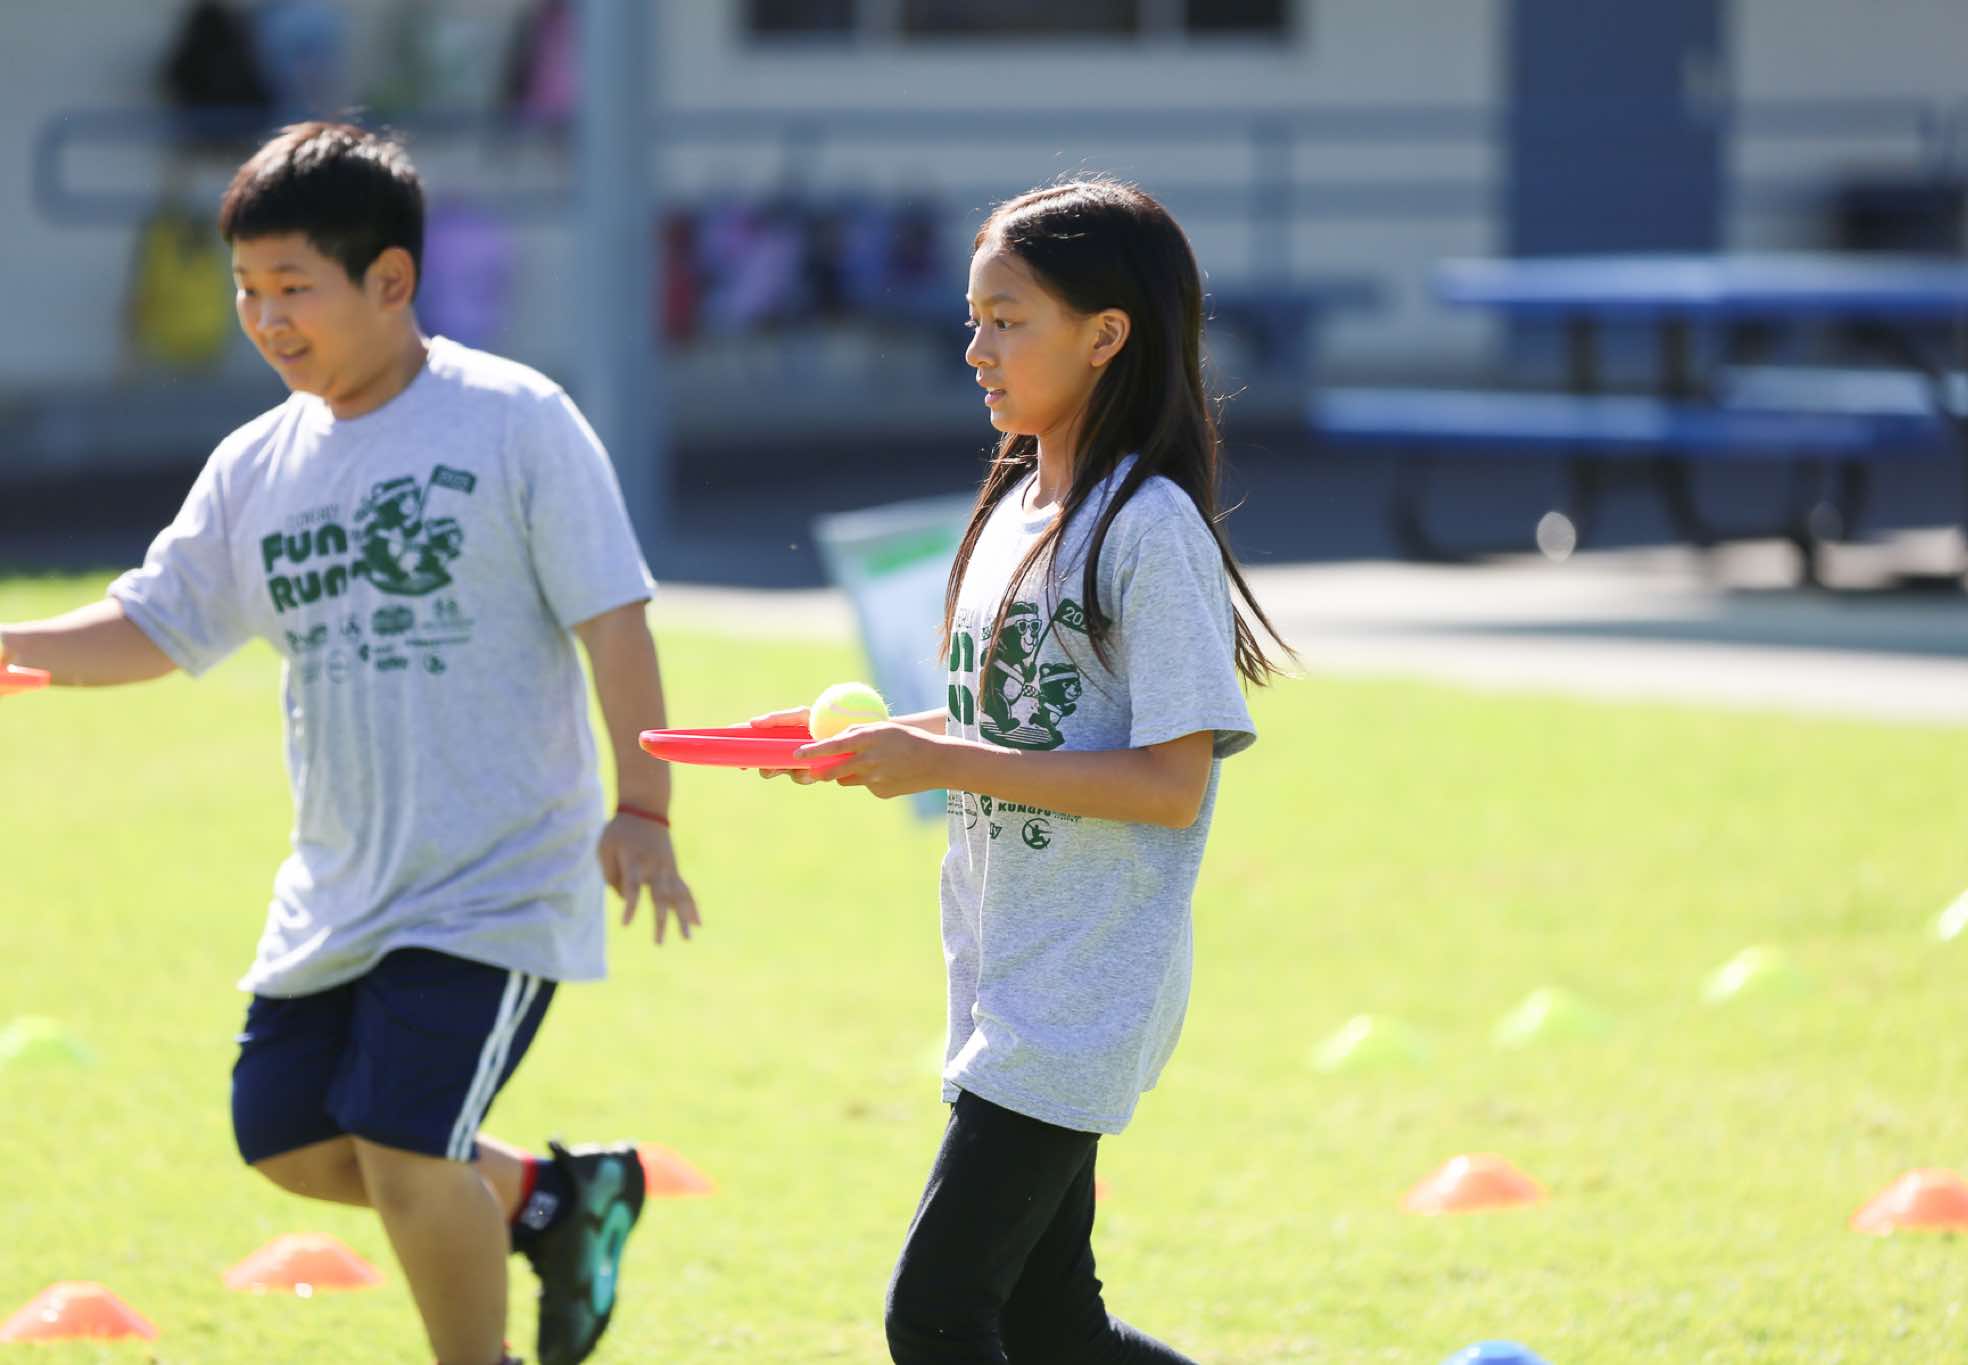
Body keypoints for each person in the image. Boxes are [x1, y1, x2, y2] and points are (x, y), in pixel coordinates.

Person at [0, 122, 692, 1365]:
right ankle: (555, 1200)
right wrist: (15, 646)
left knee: (405, 1146)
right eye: (247, 291)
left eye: (293, 288)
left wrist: (641, 807)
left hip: (491, 874)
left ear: (390, 279)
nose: (266, 321)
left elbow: (614, 617)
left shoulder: (512, 420)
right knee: (287, 1137)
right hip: (339, 882)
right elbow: (153, 624)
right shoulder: (255, 464)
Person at [757, 177, 1292, 1363]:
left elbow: (1169, 784)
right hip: (1005, 965)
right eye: (973, 319)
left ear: (1105, 336)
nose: (975, 351)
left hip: (1084, 981)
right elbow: (1009, 721)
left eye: (1006, 321)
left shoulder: (1147, 527)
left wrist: (940, 757)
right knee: (1053, 1324)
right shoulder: (1016, 507)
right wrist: (879, 740)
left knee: (936, 1312)